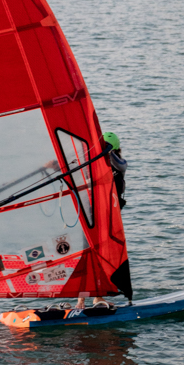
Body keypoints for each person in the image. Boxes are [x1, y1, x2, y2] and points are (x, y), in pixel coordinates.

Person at [75, 132, 128, 311]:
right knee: (86, 257)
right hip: (91, 219)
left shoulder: (118, 165)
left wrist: (105, 151)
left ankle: (98, 297)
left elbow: (120, 164)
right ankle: (81, 301)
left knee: (101, 258)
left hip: (107, 220)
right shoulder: (92, 163)